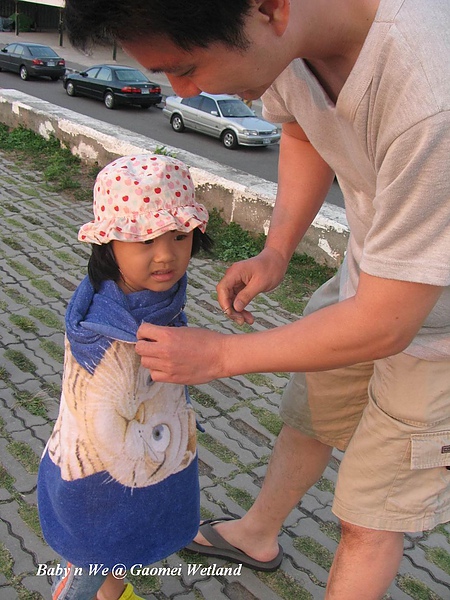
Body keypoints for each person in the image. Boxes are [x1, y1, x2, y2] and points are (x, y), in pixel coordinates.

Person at [63, 1, 450, 598]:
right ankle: (257, 532)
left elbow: (387, 323)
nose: (184, 94)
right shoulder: (289, 41)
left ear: (269, 9)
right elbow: (302, 128)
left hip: (433, 330)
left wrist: (220, 357)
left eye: (186, 68)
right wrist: (276, 251)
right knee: (310, 415)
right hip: (372, 272)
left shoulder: (430, 92)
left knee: (368, 518)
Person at [37, 153, 212, 600]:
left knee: (127, 541)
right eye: (145, 241)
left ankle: (110, 590)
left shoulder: (159, 297)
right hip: (106, 476)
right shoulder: (103, 329)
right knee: (99, 545)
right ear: (109, 244)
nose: (167, 255)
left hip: (152, 456)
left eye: (179, 235)